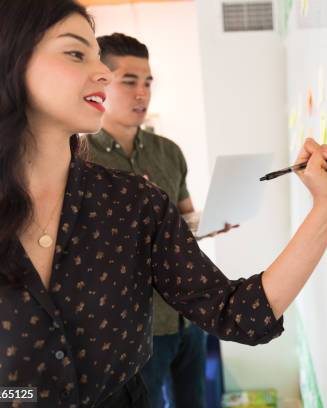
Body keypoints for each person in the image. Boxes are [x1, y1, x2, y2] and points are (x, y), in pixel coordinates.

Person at [0, 1, 327, 408]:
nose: (103, 74)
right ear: (3, 58)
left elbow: (238, 312)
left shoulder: (132, 200)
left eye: (99, 58)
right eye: (76, 53)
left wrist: (325, 208)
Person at [84, 33, 218, 408]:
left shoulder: (168, 152)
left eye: (147, 83)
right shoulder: (78, 160)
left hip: (186, 317)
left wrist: (209, 224)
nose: (142, 93)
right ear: (100, 82)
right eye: (129, 82)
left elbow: (185, 219)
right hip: (130, 329)